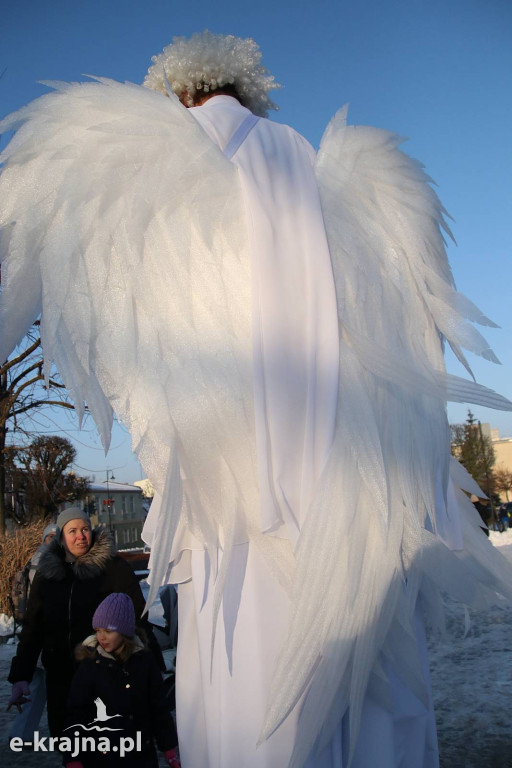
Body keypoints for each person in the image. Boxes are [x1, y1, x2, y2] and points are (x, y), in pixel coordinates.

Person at [1, 30, 512, 768]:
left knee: (248, 683)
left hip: (231, 515)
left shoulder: (155, 160)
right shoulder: (344, 181)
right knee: (369, 692)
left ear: (181, 94)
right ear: (248, 91)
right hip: (356, 506)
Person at [7, 508, 163, 741]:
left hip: (106, 675)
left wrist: (153, 666)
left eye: (85, 529)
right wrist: (21, 676)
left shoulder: (113, 568)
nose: (80, 536)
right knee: (67, 742)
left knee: (107, 741)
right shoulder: (47, 574)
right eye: (72, 531)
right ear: (61, 536)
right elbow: (33, 628)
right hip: (61, 678)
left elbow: (138, 618)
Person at [64, 592, 180, 768]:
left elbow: (158, 708)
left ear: (124, 631)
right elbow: (75, 713)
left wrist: (169, 747)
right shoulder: (90, 664)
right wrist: (73, 757)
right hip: (100, 758)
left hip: (140, 756)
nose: (101, 637)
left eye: (108, 631)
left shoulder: (144, 661)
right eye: (98, 630)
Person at [7, 522, 58, 741]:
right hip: (43, 634)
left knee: (36, 687)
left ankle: (22, 733)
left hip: (34, 633)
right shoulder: (48, 562)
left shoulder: (33, 559)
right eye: (51, 537)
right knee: (41, 687)